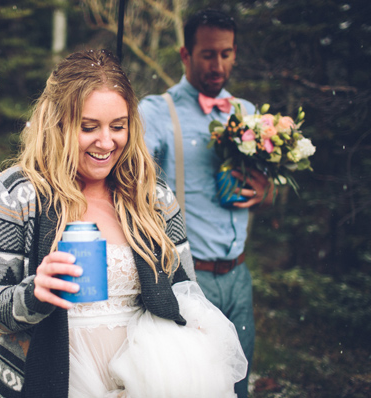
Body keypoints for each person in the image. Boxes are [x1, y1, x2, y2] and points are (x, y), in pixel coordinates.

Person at [0, 49, 246, 397]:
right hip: (52, 382)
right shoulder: (16, 194)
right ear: (57, 123)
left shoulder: (153, 196)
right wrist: (33, 295)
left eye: (118, 126)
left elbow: (185, 289)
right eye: (88, 127)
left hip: (144, 381)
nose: (106, 142)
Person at [138, 9, 265, 397]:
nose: (219, 64)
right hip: (189, 276)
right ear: (185, 55)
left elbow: (260, 184)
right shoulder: (156, 112)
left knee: (238, 381)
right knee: (196, 384)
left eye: (226, 54)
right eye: (209, 54)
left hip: (239, 274)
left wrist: (264, 191)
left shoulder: (247, 113)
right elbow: (132, 189)